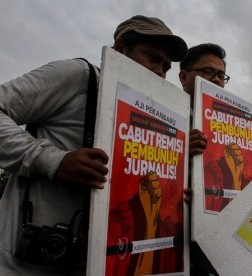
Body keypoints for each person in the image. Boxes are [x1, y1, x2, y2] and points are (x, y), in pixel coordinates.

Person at [0, 15, 187, 275]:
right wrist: (52, 160)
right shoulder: (78, 77)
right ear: (120, 49)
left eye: (166, 67)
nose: (160, 72)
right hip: (27, 263)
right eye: (153, 58)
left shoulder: (152, 115)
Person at [178, 43, 229, 276]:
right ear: (183, 77)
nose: (216, 80)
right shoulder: (160, 110)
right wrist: (176, 150)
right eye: (207, 72)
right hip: (169, 243)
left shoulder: (232, 129)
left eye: (221, 75)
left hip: (213, 251)